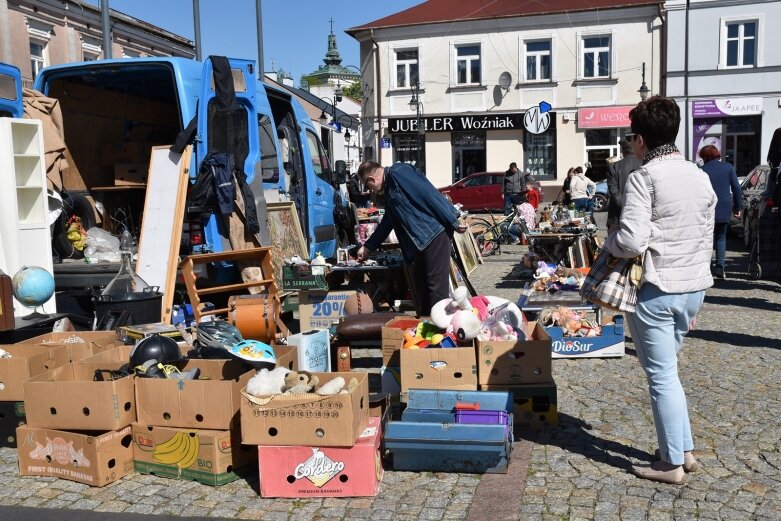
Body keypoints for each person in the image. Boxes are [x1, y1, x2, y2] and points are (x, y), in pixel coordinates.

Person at [604, 96, 717, 485]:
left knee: (661, 377)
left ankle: (670, 464)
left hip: (657, 287)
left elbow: (632, 241)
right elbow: (706, 232)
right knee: (670, 372)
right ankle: (683, 451)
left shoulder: (644, 176)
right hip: (693, 288)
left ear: (640, 139)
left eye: (632, 136)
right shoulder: (698, 174)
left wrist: (609, 244)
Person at [355, 161, 467, 315]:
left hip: (434, 234)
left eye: (367, 186)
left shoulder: (399, 173)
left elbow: (428, 194)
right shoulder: (389, 187)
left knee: (436, 289)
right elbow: (389, 221)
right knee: (421, 286)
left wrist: (452, 219)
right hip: (420, 243)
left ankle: (441, 332)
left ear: (372, 179)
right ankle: (427, 326)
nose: (369, 190)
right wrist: (368, 246)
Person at [699, 145, 742, 279]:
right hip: (724, 205)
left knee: (706, 238)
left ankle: (707, 268)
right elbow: (736, 188)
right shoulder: (728, 167)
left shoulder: (701, 170)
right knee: (721, 237)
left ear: (704, 157)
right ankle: (720, 268)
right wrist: (737, 207)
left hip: (706, 206)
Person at [606, 138, 642, 232]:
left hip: (617, 217)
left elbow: (613, 192)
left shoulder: (613, 166)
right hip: (639, 217)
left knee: (615, 245)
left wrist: (624, 207)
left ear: (622, 150)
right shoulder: (644, 164)